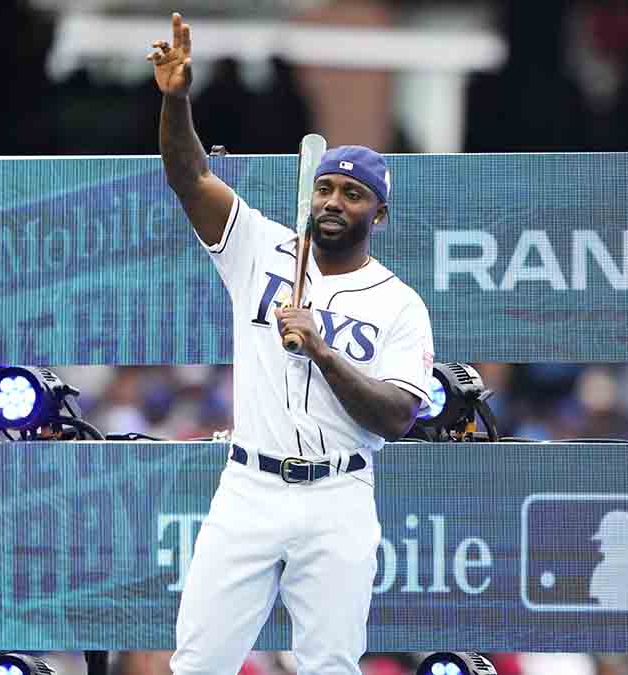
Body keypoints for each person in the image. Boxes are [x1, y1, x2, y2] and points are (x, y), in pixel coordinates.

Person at [147, 13, 434, 674]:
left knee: (330, 665)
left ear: (378, 215)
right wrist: (176, 98)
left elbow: (398, 413)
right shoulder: (261, 247)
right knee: (197, 663)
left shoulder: (399, 302)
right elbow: (189, 178)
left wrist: (323, 349)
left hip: (339, 496)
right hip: (250, 483)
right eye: (327, 188)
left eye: (354, 194)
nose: (334, 201)